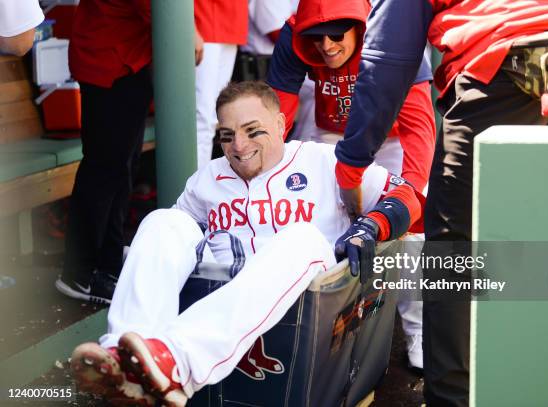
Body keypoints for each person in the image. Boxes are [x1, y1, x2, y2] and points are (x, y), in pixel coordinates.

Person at [69, 81, 425, 407]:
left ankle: (177, 360)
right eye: (226, 136)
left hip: (306, 296)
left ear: (281, 123)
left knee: (301, 237)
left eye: (253, 131)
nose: (238, 146)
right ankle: (125, 361)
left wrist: (372, 226)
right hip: (225, 285)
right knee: (162, 221)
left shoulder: (323, 159)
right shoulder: (207, 178)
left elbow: (408, 196)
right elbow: (171, 240)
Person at [332, 1, 548, 405]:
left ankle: (451, 399)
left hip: (503, 70)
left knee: (454, 255)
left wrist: (352, 162)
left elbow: (386, 60)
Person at [266, 0, 436, 369]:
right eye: (316, 36)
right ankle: (322, 326)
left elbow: (419, 128)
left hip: (391, 138)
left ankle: (418, 332)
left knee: (411, 233)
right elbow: (275, 119)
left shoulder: (392, 34)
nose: (325, 45)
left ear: (358, 26)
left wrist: (410, 195)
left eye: (335, 34)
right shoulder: (292, 35)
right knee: (317, 219)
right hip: (330, 134)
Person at [55, 0, 201, 305]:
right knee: (105, 169)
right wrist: (191, 33)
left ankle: (105, 266)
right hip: (110, 63)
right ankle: (78, 273)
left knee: (122, 167)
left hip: (124, 60)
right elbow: (154, 8)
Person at [194, 0, 248, 168]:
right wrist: (189, 27)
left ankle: (201, 182)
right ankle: (193, 186)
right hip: (202, 17)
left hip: (231, 19)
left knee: (213, 118)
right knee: (201, 118)